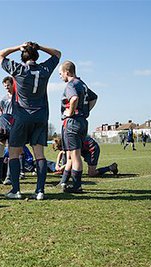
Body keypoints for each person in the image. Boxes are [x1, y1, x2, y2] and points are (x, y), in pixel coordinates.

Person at [0, 41, 61, 200]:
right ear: (36, 55)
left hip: (22, 116)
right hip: (41, 116)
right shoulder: (44, 69)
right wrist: (40, 47)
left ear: (23, 57)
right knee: (39, 154)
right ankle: (40, 191)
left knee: (14, 153)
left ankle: (16, 190)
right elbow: (57, 53)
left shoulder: (19, 69)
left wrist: (18, 47)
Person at [58, 60, 98, 193]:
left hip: (73, 122)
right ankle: (64, 182)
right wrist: (85, 111)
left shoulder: (71, 84)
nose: (60, 76)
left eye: (61, 73)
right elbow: (94, 98)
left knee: (75, 155)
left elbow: (74, 98)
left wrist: (71, 112)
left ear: (67, 72)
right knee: (71, 155)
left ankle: (76, 186)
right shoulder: (82, 84)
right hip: (82, 122)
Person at [53, 137, 118, 179]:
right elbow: (61, 153)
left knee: (91, 173)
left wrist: (62, 167)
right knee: (68, 156)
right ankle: (66, 172)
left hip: (92, 149)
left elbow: (72, 159)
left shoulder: (69, 143)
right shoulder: (66, 141)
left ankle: (111, 167)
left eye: (60, 149)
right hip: (85, 149)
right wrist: (57, 164)